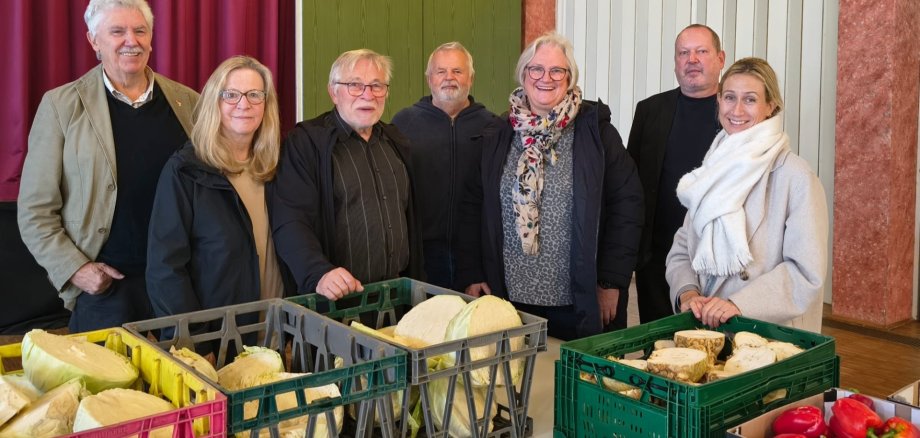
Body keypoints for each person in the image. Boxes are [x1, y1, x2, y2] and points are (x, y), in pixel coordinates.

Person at [17, 0, 198, 332]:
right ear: (93, 41)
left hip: (181, 288)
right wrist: (77, 270)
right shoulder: (61, 106)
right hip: (108, 291)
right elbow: (35, 210)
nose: (132, 40)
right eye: (117, 31)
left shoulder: (189, 102)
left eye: (140, 30)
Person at [455, 33, 643, 340]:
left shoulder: (596, 133)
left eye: (557, 71)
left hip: (578, 299)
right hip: (508, 299)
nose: (546, 78)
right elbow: (472, 207)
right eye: (536, 69)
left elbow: (628, 206)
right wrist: (472, 272)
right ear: (523, 75)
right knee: (515, 382)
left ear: (569, 78)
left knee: (576, 382)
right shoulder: (498, 134)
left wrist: (611, 281)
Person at [667, 57, 828, 332]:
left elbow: (804, 271)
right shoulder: (712, 166)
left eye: (750, 100)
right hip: (706, 325)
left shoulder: (795, 175)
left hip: (768, 335)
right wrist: (688, 292)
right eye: (730, 97)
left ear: (771, 106)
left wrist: (739, 304)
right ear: (718, 101)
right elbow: (683, 246)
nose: (737, 109)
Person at [268, 49, 423, 300]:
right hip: (335, 303)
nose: (368, 95)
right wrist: (317, 272)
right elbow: (290, 219)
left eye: (376, 86)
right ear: (333, 92)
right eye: (355, 85)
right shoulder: (306, 143)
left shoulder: (397, 143)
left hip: (395, 300)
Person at [146, 56, 285, 324]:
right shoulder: (185, 171)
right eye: (231, 95)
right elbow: (165, 269)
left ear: (266, 105)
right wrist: (195, 341)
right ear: (214, 102)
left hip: (276, 328)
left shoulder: (279, 166)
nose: (243, 104)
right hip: (216, 338)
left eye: (254, 95)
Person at [627, 24, 725, 324]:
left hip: (718, 259)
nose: (692, 59)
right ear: (675, 62)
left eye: (701, 51)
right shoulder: (650, 111)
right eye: (684, 53)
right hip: (656, 259)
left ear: (721, 59)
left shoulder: (737, 113)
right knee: (657, 346)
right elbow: (632, 185)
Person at [391, 42, 499, 289]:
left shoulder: (492, 127)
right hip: (420, 258)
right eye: (441, 71)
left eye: (457, 71)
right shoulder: (403, 123)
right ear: (429, 78)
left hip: (475, 259)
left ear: (470, 78)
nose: (449, 78)